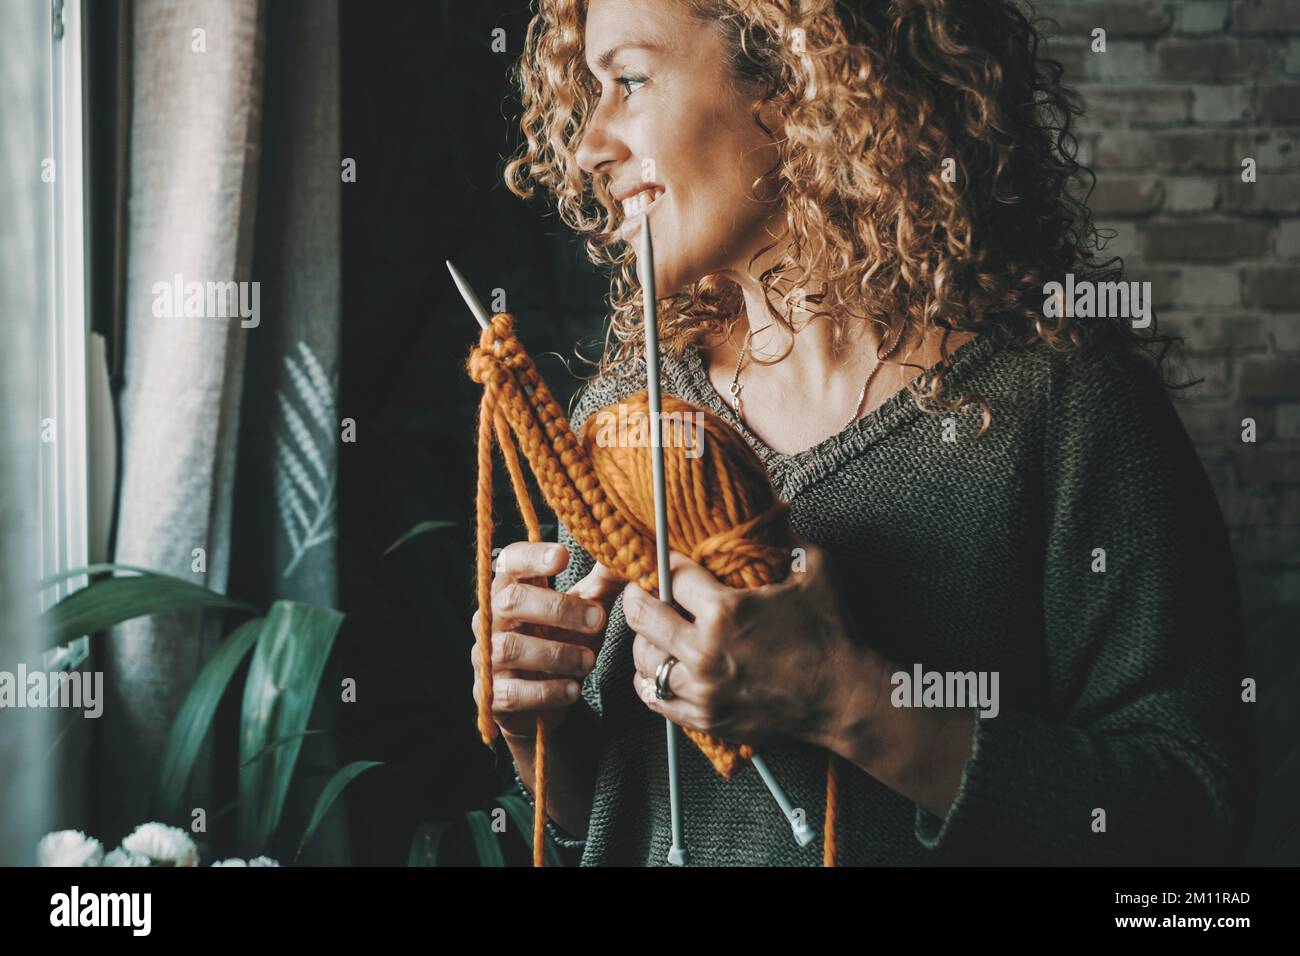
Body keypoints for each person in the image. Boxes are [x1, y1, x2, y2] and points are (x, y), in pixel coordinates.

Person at [469, 0, 1257, 865]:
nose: (588, 145)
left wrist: (850, 703)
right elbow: (604, 818)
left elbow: (1194, 820)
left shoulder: (1064, 405)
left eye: (628, 80)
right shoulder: (622, 418)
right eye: (589, 90)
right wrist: (534, 725)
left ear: (796, 81)